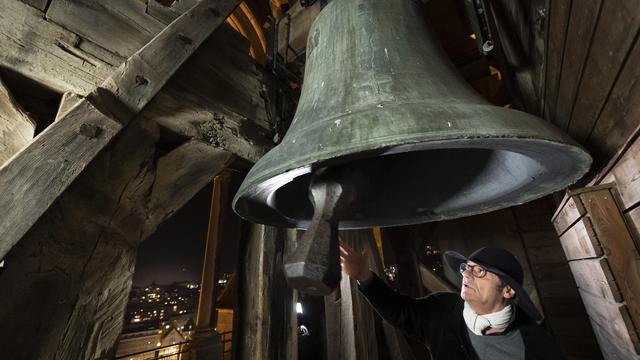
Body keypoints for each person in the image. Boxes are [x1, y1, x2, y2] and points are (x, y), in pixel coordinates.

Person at [340, 242, 566, 360]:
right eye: (467, 268)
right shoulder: (442, 310)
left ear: (507, 291)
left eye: (479, 272)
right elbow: (400, 311)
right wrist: (364, 276)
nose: (466, 275)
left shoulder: (537, 342)